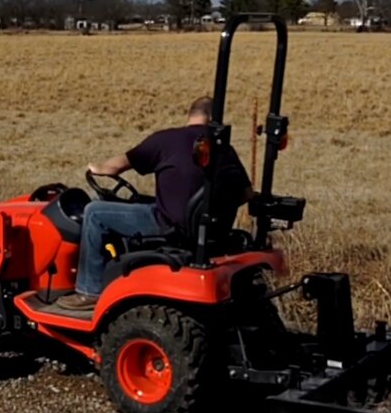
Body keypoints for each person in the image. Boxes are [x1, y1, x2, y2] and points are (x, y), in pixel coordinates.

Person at [56, 96, 253, 311]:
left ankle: (89, 291)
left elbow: (115, 167)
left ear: (191, 114)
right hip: (206, 230)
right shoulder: (225, 150)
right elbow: (246, 193)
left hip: (169, 225)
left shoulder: (167, 140)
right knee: (142, 202)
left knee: (94, 212)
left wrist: (97, 167)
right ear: (214, 118)